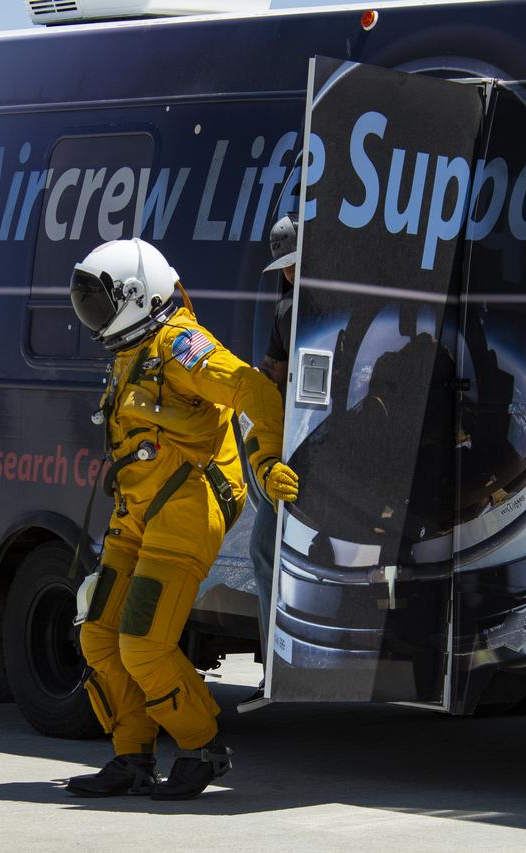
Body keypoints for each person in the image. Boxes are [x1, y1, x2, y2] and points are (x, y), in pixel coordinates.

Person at [65, 238, 298, 800]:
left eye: (99, 303)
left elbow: (255, 390)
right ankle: (131, 757)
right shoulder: (130, 350)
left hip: (186, 507)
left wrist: (265, 461)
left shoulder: (180, 345)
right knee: (99, 635)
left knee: (142, 643)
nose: (93, 316)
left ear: (136, 296)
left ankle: (202, 748)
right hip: (136, 513)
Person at [246, 214, 297, 696]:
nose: (286, 274)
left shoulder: (289, 310)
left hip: (299, 453)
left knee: (264, 549)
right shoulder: (292, 306)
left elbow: (270, 377)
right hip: (307, 448)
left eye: (293, 264)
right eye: (282, 266)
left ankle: (278, 669)